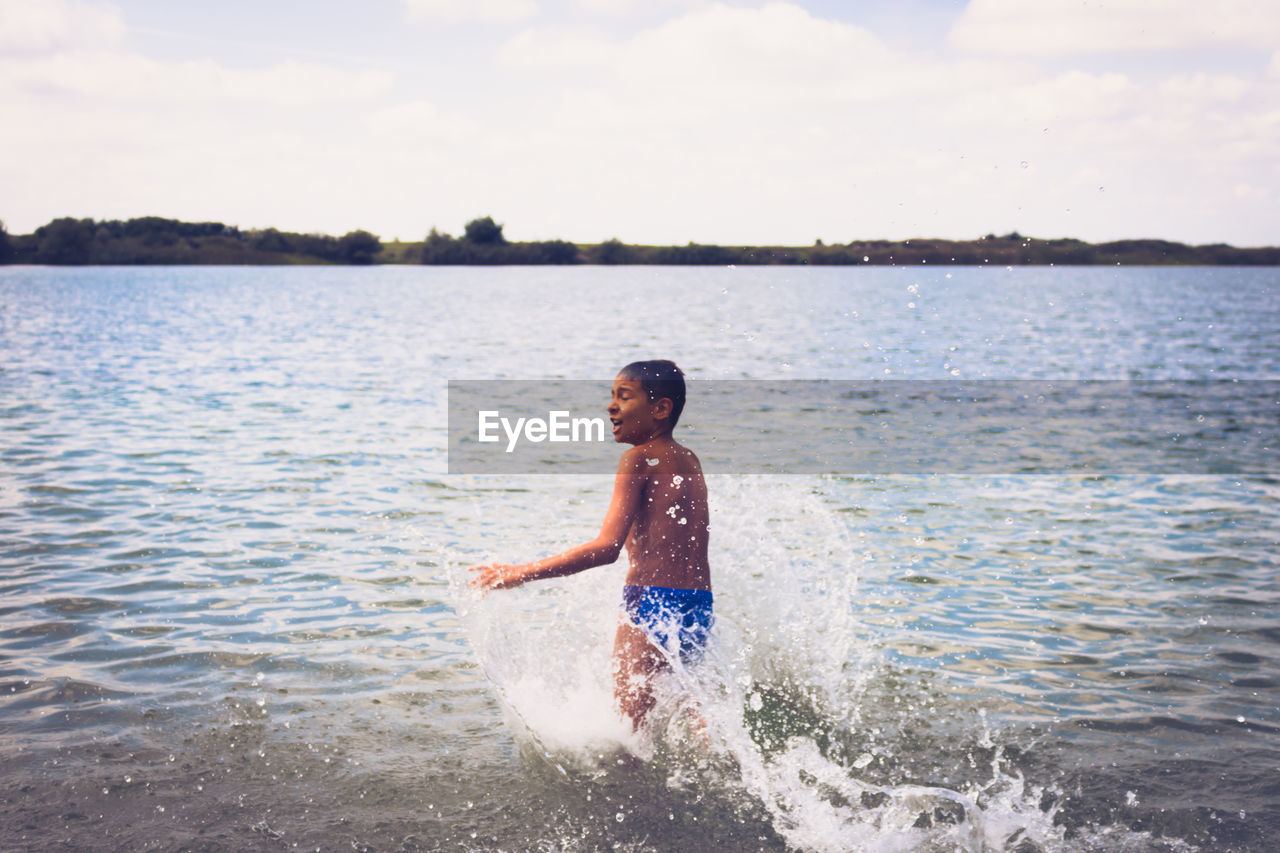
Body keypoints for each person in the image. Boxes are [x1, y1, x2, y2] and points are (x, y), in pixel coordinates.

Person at [469, 360, 712, 730]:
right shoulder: (689, 459)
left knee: (630, 729)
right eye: (611, 396)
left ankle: (630, 787)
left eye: (624, 397)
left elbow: (606, 548)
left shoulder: (637, 459)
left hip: (651, 602)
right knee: (688, 711)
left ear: (660, 409)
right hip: (698, 606)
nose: (610, 406)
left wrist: (521, 573)